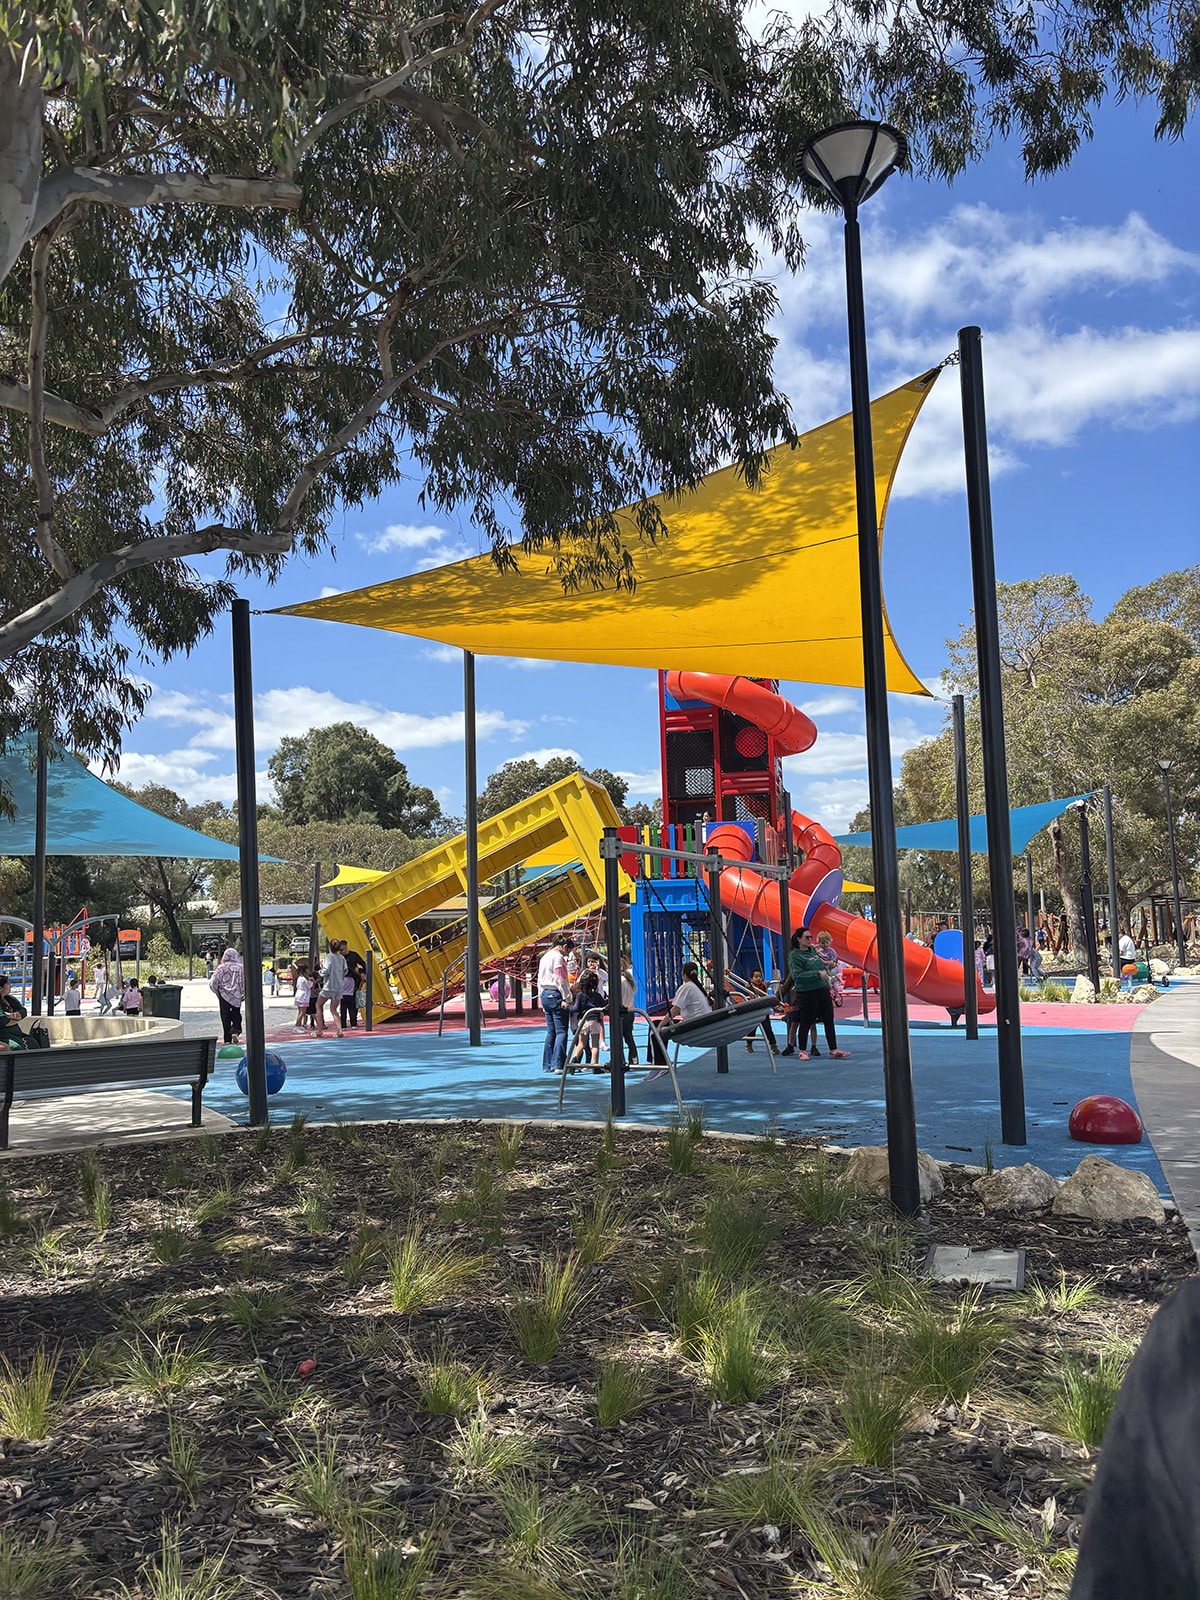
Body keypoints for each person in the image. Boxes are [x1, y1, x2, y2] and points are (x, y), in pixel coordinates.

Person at [783, 927, 849, 1061]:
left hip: (822, 989)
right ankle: (802, 1050)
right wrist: (817, 973)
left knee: (829, 1019)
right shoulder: (794, 955)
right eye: (807, 937)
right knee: (806, 1021)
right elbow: (797, 975)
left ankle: (833, 1049)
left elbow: (820, 965)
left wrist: (827, 974)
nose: (810, 940)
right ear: (799, 939)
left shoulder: (812, 950)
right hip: (806, 992)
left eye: (810, 937)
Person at [537, 934, 574, 1075]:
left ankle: (547, 1063)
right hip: (556, 994)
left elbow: (540, 978)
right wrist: (568, 997)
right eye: (568, 951)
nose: (567, 955)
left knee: (551, 1031)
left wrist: (541, 996)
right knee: (561, 1031)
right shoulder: (558, 958)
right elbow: (560, 979)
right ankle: (558, 1063)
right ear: (564, 947)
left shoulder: (545, 956)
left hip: (545, 993)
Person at [808, 931, 843, 1056]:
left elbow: (833, 963)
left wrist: (824, 962)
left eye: (826, 942)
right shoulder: (816, 949)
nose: (824, 945)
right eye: (822, 942)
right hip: (820, 974)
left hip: (829, 971)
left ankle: (836, 992)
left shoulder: (831, 952)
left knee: (833, 978)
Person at [568, 970, 606, 1071]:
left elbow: (575, 1008)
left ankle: (573, 1063)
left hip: (583, 1021)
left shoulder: (580, 995)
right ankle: (595, 1066)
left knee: (581, 1043)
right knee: (595, 1045)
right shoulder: (597, 996)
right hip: (594, 1021)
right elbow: (604, 1005)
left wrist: (566, 1007)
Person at [209, 946, 244, 1044]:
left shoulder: (221, 968)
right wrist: (243, 993)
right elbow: (245, 981)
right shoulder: (241, 968)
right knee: (236, 1014)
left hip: (223, 994)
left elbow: (213, 981)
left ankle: (227, 1039)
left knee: (225, 1016)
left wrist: (217, 991)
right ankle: (235, 1030)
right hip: (236, 995)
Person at [317, 939, 347, 1037]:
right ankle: (339, 1030)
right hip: (339, 987)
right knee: (334, 1009)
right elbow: (345, 970)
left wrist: (319, 973)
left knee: (318, 1005)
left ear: (329, 947)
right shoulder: (342, 958)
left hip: (329, 986)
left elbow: (326, 970)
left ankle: (319, 1030)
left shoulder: (328, 957)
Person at [743, 968, 777, 1054]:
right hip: (754, 1011)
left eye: (760, 977)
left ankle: (773, 1045)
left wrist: (767, 984)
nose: (758, 978)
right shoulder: (751, 986)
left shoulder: (764, 985)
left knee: (768, 1028)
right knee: (752, 1029)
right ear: (751, 979)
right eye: (756, 977)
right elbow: (747, 986)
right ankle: (749, 1045)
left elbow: (766, 985)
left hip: (763, 1010)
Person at [293, 961, 313, 1031]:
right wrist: (312, 981)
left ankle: (299, 1025)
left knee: (300, 1012)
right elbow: (310, 986)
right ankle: (297, 1026)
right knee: (302, 1013)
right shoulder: (304, 979)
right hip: (303, 997)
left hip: (299, 996)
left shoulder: (300, 978)